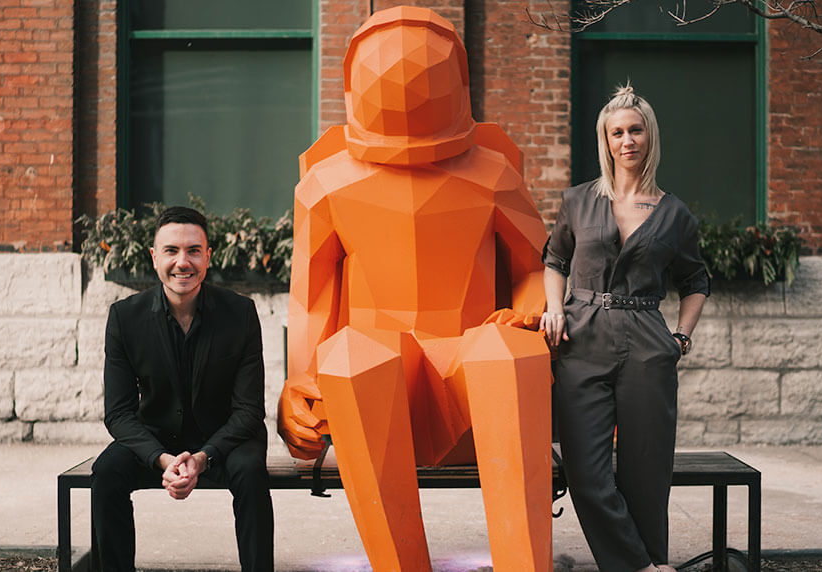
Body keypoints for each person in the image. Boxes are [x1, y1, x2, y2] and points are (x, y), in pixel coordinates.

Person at [277, 7, 553, 571]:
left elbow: (537, 270)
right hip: (382, 379)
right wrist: (299, 389)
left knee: (508, 351)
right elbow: (313, 301)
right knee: (352, 358)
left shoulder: (493, 175)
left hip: (471, 372)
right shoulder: (326, 186)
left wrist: (526, 313)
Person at [539, 85, 710, 572]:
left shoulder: (674, 214)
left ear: (649, 136)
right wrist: (553, 308)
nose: (627, 140)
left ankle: (650, 561)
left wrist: (680, 337)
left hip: (647, 345)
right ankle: (641, 567)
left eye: (635, 130)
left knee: (646, 474)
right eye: (617, 132)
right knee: (588, 475)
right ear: (605, 140)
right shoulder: (578, 201)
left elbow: (696, 280)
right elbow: (555, 259)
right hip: (582, 340)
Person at [91, 206, 274, 572]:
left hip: (227, 438)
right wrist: (162, 459)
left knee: (251, 472)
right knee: (107, 471)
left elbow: (249, 411)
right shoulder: (124, 318)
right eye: (171, 251)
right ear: (154, 257)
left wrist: (204, 457)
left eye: (193, 251)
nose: (182, 262)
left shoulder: (240, 314)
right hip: (157, 437)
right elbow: (119, 413)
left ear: (208, 257)